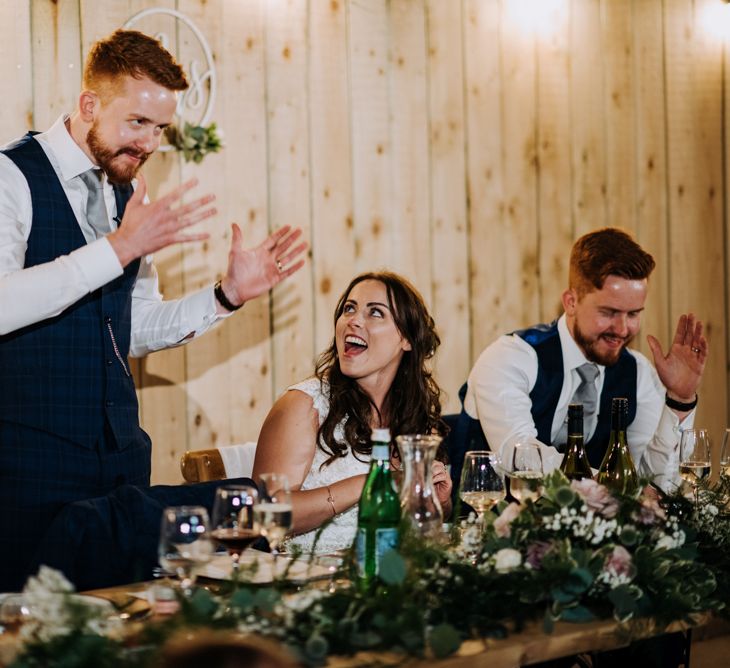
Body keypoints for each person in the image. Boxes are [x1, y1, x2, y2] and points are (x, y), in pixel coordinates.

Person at [0, 29, 307, 591]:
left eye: (161, 128)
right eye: (137, 122)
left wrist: (225, 296)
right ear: (89, 104)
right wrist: (119, 248)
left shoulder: (124, 194)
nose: (149, 144)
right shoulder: (11, 178)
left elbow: (132, 327)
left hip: (120, 467)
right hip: (24, 470)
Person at [463, 227, 706, 490]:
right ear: (571, 302)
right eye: (609, 312)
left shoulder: (639, 373)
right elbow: (520, 457)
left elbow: (653, 481)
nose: (623, 330)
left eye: (633, 314)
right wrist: (607, 485)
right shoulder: (510, 357)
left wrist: (679, 401)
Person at [253, 271, 452, 554]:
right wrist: (373, 482)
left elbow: (419, 529)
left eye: (375, 313)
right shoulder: (305, 405)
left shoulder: (415, 418)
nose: (354, 321)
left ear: (406, 339)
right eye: (349, 309)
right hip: (308, 580)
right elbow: (266, 514)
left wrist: (439, 503)